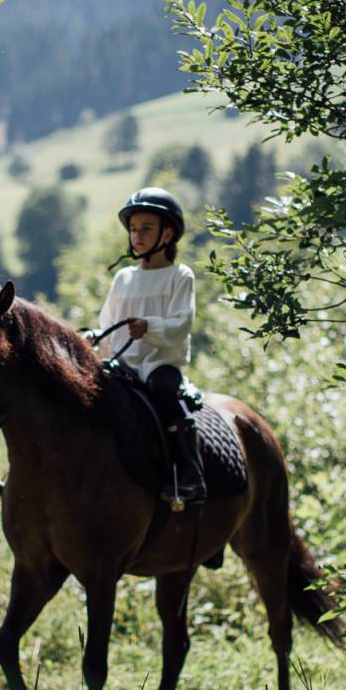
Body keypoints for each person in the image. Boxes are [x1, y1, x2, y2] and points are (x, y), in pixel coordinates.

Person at [97, 187, 206, 507]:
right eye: (133, 229)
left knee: (162, 390)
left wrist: (150, 328)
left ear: (167, 233)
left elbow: (182, 324)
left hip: (161, 362)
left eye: (146, 229)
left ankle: (190, 474)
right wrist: (94, 340)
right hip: (123, 364)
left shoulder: (180, 276)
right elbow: (107, 322)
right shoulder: (124, 278)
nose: (137, 236)